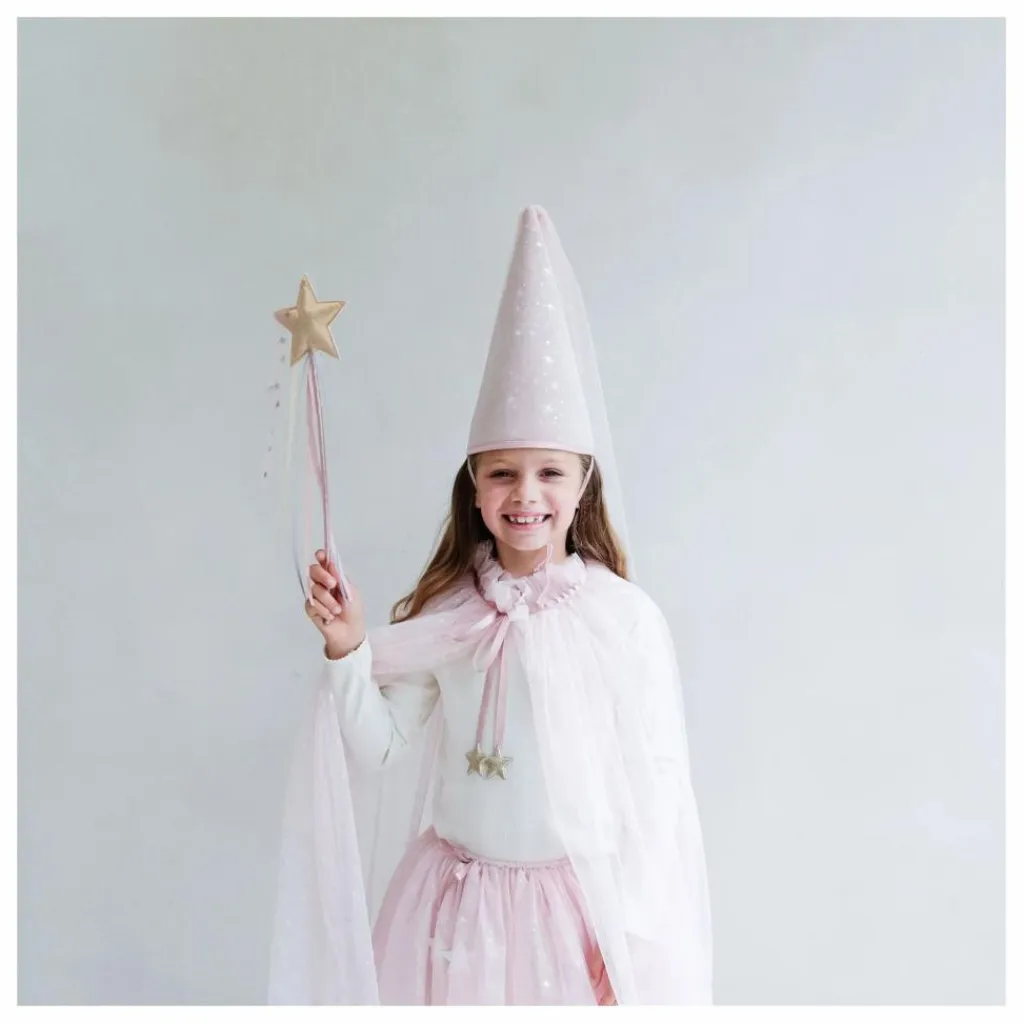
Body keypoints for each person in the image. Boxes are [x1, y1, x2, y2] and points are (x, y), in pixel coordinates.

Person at [268, 206, 713, 1006]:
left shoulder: (622, 621)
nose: (525, 494)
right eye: (502, 472)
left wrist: (631, 924)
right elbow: (381, 748)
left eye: (549, 473)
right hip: (451, 911)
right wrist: (349, 649)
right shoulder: (450, 611)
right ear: (475, 487)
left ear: (583, 486)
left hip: (568, 915)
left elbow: (654, 783)